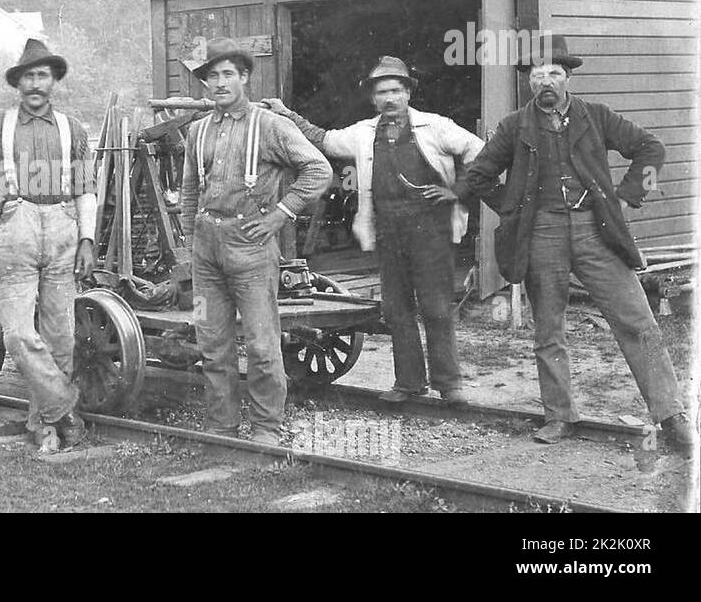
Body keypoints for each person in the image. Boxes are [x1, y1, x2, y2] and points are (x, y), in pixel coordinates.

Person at [464, 35, 694, 448]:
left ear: (567, 77)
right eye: (537, 73)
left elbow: (651, 149)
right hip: (542, 235)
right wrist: (512, 209)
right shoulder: (514, 126)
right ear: (529, 81)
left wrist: (628, 197)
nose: (545, 80)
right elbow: (478, 176)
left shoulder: (596, 116)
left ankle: (672, 416)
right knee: (549, 328)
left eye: (554, 72)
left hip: (596, 230)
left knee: (637, 321)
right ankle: (560, 416)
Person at [266, 56, 484, 405]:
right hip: (389, 232)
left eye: (396, 90)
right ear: (374, 98)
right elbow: (323, 139)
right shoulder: (364, 133)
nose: (390, 98)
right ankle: (409, 383)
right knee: (396, 309)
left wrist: (458, 191)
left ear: (408, 92)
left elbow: (479, 150)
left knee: (436, 307)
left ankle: (450, 384)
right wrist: (286, 114)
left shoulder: (436, 126)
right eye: (382, 92)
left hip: (431, 232)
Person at [0, 38, 96, 451]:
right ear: (18, 83)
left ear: (54, 80)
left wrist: (87, 238)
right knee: (18, 333)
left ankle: (43, 425)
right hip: (16, 227)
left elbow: (85, 191)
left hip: (62, 226)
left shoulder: (72, 128)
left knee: (61, 336)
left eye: (43, 75)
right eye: (28, 76)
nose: (36, 84)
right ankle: (63, 406)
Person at [180, 37, 332, 445]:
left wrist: (280, 215)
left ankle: (267, 426)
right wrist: (189, 233)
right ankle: (222, 425)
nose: (219, 83)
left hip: (251, 245)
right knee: (212, 343)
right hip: (206, 249)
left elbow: (318, 170)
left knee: (263, 344)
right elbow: (190, 188)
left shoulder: (270, 126)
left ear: (244, 77)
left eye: (228, 74)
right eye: (212, 76)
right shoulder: (196, 131)